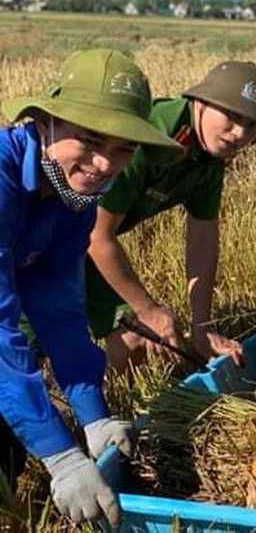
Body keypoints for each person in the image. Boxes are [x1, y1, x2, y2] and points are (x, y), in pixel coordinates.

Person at [0, 49, 183, 526]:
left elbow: (59, 311)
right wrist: (62, 458)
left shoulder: (70, 199)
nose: (104, 163)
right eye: (90, 139)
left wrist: (93, 415)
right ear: (45, 123)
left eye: (123, 148)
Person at [84, 60, 256, 373]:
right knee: (24, 355)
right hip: (38, 235)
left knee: (138, 340)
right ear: (200, 103)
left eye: (254, 125)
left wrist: (202, 331)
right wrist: (147, 308)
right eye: (232, 116)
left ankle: (82, 410)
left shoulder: (209, 159)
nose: (241, 133)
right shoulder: (151, 135)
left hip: (76, 239)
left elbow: (202, 243)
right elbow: (97, 234)